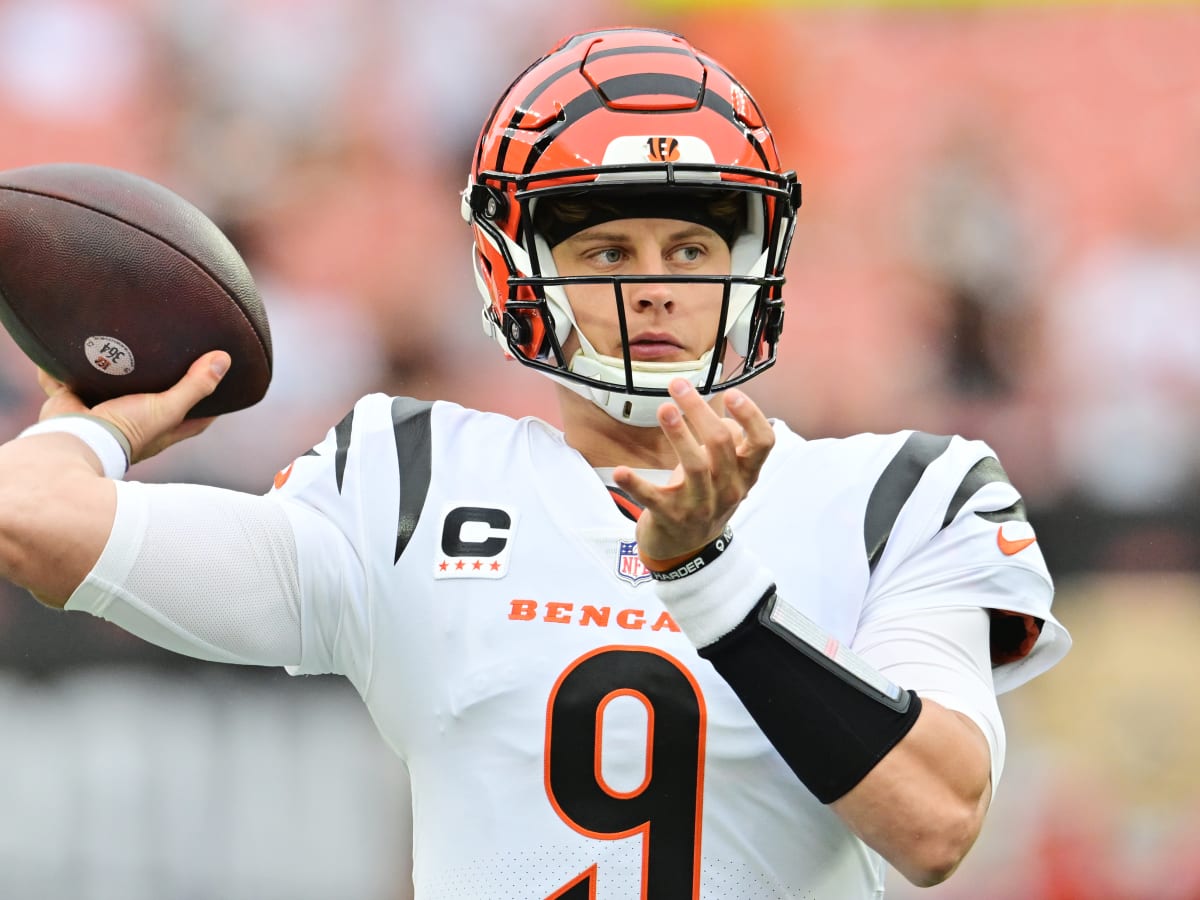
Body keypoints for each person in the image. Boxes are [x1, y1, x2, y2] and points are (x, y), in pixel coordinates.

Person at [0, 26, 1070, 898]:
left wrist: (712, 585)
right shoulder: (411, 486)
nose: (653, 286)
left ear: (753, 260)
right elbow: (29, 517)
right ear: (513, 272)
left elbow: (936, 823)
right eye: (606, 250)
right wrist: (102, 420)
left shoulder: (903, 494)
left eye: (691, 249)